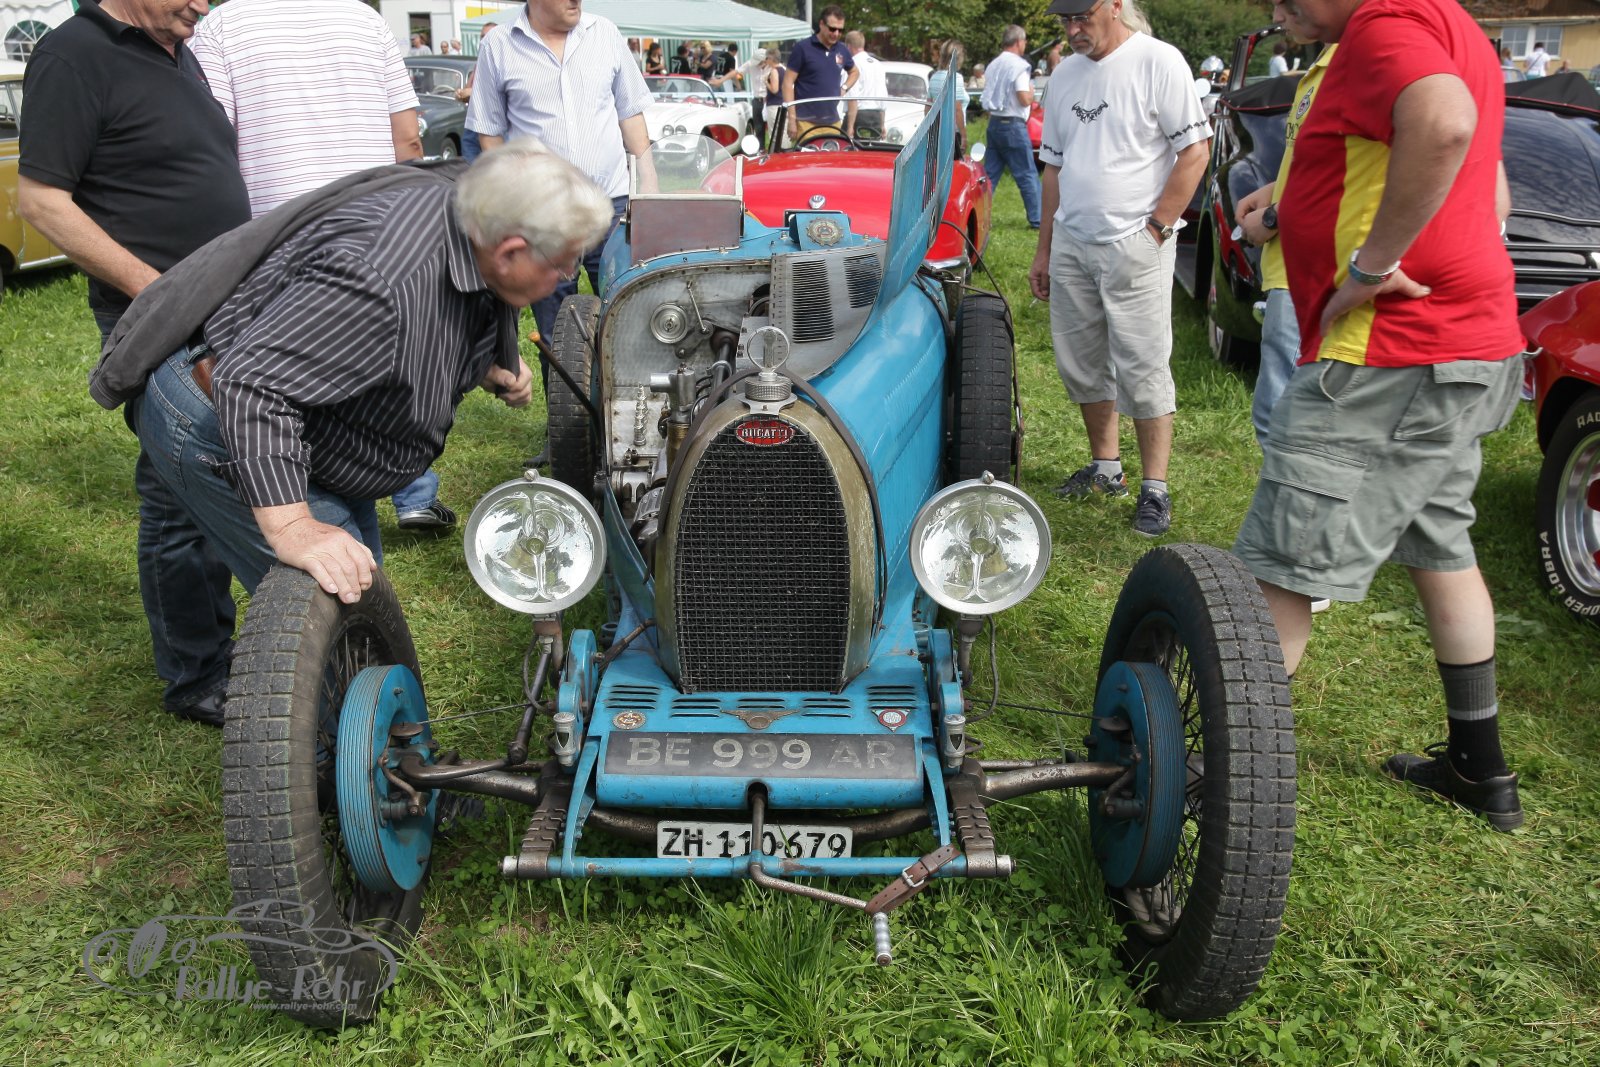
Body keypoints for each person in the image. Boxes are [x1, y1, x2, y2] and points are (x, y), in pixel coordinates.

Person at [1232, 0, 1526, 831]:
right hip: (1465, 344)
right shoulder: (1452, 25)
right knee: (1442, 545)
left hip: (1389, 356)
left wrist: (1372, 265)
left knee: (1280, 567)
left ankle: (1222, 787)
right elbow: (1493, 189)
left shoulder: (1383, 25)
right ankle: (1479, 766)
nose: (1276, 8)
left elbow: (1444, 123)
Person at [93, 144, 614, 607]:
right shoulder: (383, 281)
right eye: (564, 265)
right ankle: (237, 679)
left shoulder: (473, 215)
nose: (566, 277)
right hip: (224, 413)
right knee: (344, 615)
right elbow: (254, 384)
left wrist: (481, 363)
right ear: (510, 251)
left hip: (321, 428)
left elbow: (429, 318)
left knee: (359, 588)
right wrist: (294, 526)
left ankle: (206, 672)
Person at [17, 0, 253, 728]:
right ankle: (196, 673)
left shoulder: (176, 51)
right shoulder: (74, 53)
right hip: (156, 316)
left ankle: (208, 654)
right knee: (181, 489)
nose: (203, 5)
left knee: (197, 478)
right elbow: (41, 201)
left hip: (217, 308)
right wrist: (159, 292)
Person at [190, 0, 461, 532]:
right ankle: (409, 496)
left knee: (289, 381)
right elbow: (407, 138)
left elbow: (212, 143)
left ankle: (313, 503)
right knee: (389, 372)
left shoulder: (222, 24)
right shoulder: (365, 19)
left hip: (278, 238)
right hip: (378, 236)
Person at [1027, 0, 1209, 537]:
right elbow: (1053, 167)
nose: (1073, 29)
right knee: (1082, 363)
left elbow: (1195, 151)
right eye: (1065, 20)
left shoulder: (1159, 61)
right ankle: (1106, 469)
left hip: (1136, 242)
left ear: (1114, 6)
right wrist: (1045, 248)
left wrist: (1156, 229)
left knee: (1144, 365)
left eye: (1082, 17)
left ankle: (1156, 488)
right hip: (1073, 240)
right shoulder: (1064, 75)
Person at [467, 0, 653, 355]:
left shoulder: (605, 34)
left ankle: (626, 390)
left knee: (632, 321)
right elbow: (489, 133)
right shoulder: (498, 45)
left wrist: (650, 194)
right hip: (542, 215)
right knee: (556, 334)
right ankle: (566, 393)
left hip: (612, 209)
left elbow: (631, 115)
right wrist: (511, 204)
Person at [979, 25, 1041, 230]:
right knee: (1026, 174)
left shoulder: (993, 64)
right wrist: (1032, 92)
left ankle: (980, 216)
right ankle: (1037, 219)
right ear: (1018, 42)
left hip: (995, 123)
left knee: (990, 175)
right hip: (1013, 125)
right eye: (1024, 41)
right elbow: (1024, 98)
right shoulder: (1019, 66)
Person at [784, 6, 857, 143]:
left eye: (840, 30)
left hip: (833, 122)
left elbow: (854, 72)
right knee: (808, 157)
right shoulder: (803, 48)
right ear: (822, 24)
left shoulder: (842, 49)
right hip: (805, 122)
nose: (836, 33)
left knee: (833, 157)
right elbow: (787, 83)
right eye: (832, 29)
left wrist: (844, 88)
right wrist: (792, 119)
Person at [457, 22, 497, 161]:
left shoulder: (503, 62)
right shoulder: (480, 61)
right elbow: (469, 88)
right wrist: (461, 93)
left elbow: (499, 92)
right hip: (473, 122)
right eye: (482, 36)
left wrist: (471, 92)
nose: (484, 40)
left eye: (488, 36)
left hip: (491, 125)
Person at [843, 30, 885, 138]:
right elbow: (883, 95)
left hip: (858, 117)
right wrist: (882, 124)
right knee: (873, 148)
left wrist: (850, 127)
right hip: (875, 116)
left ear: (848, 46)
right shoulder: (878, 64)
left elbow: (852, 97)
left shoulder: (852, 65)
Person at [927, 40, 970, 148]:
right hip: (953, 133)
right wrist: (964, 136)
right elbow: (957, 109)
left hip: (938, 131)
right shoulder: (956, 78)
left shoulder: (934, 77)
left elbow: (927, 107)